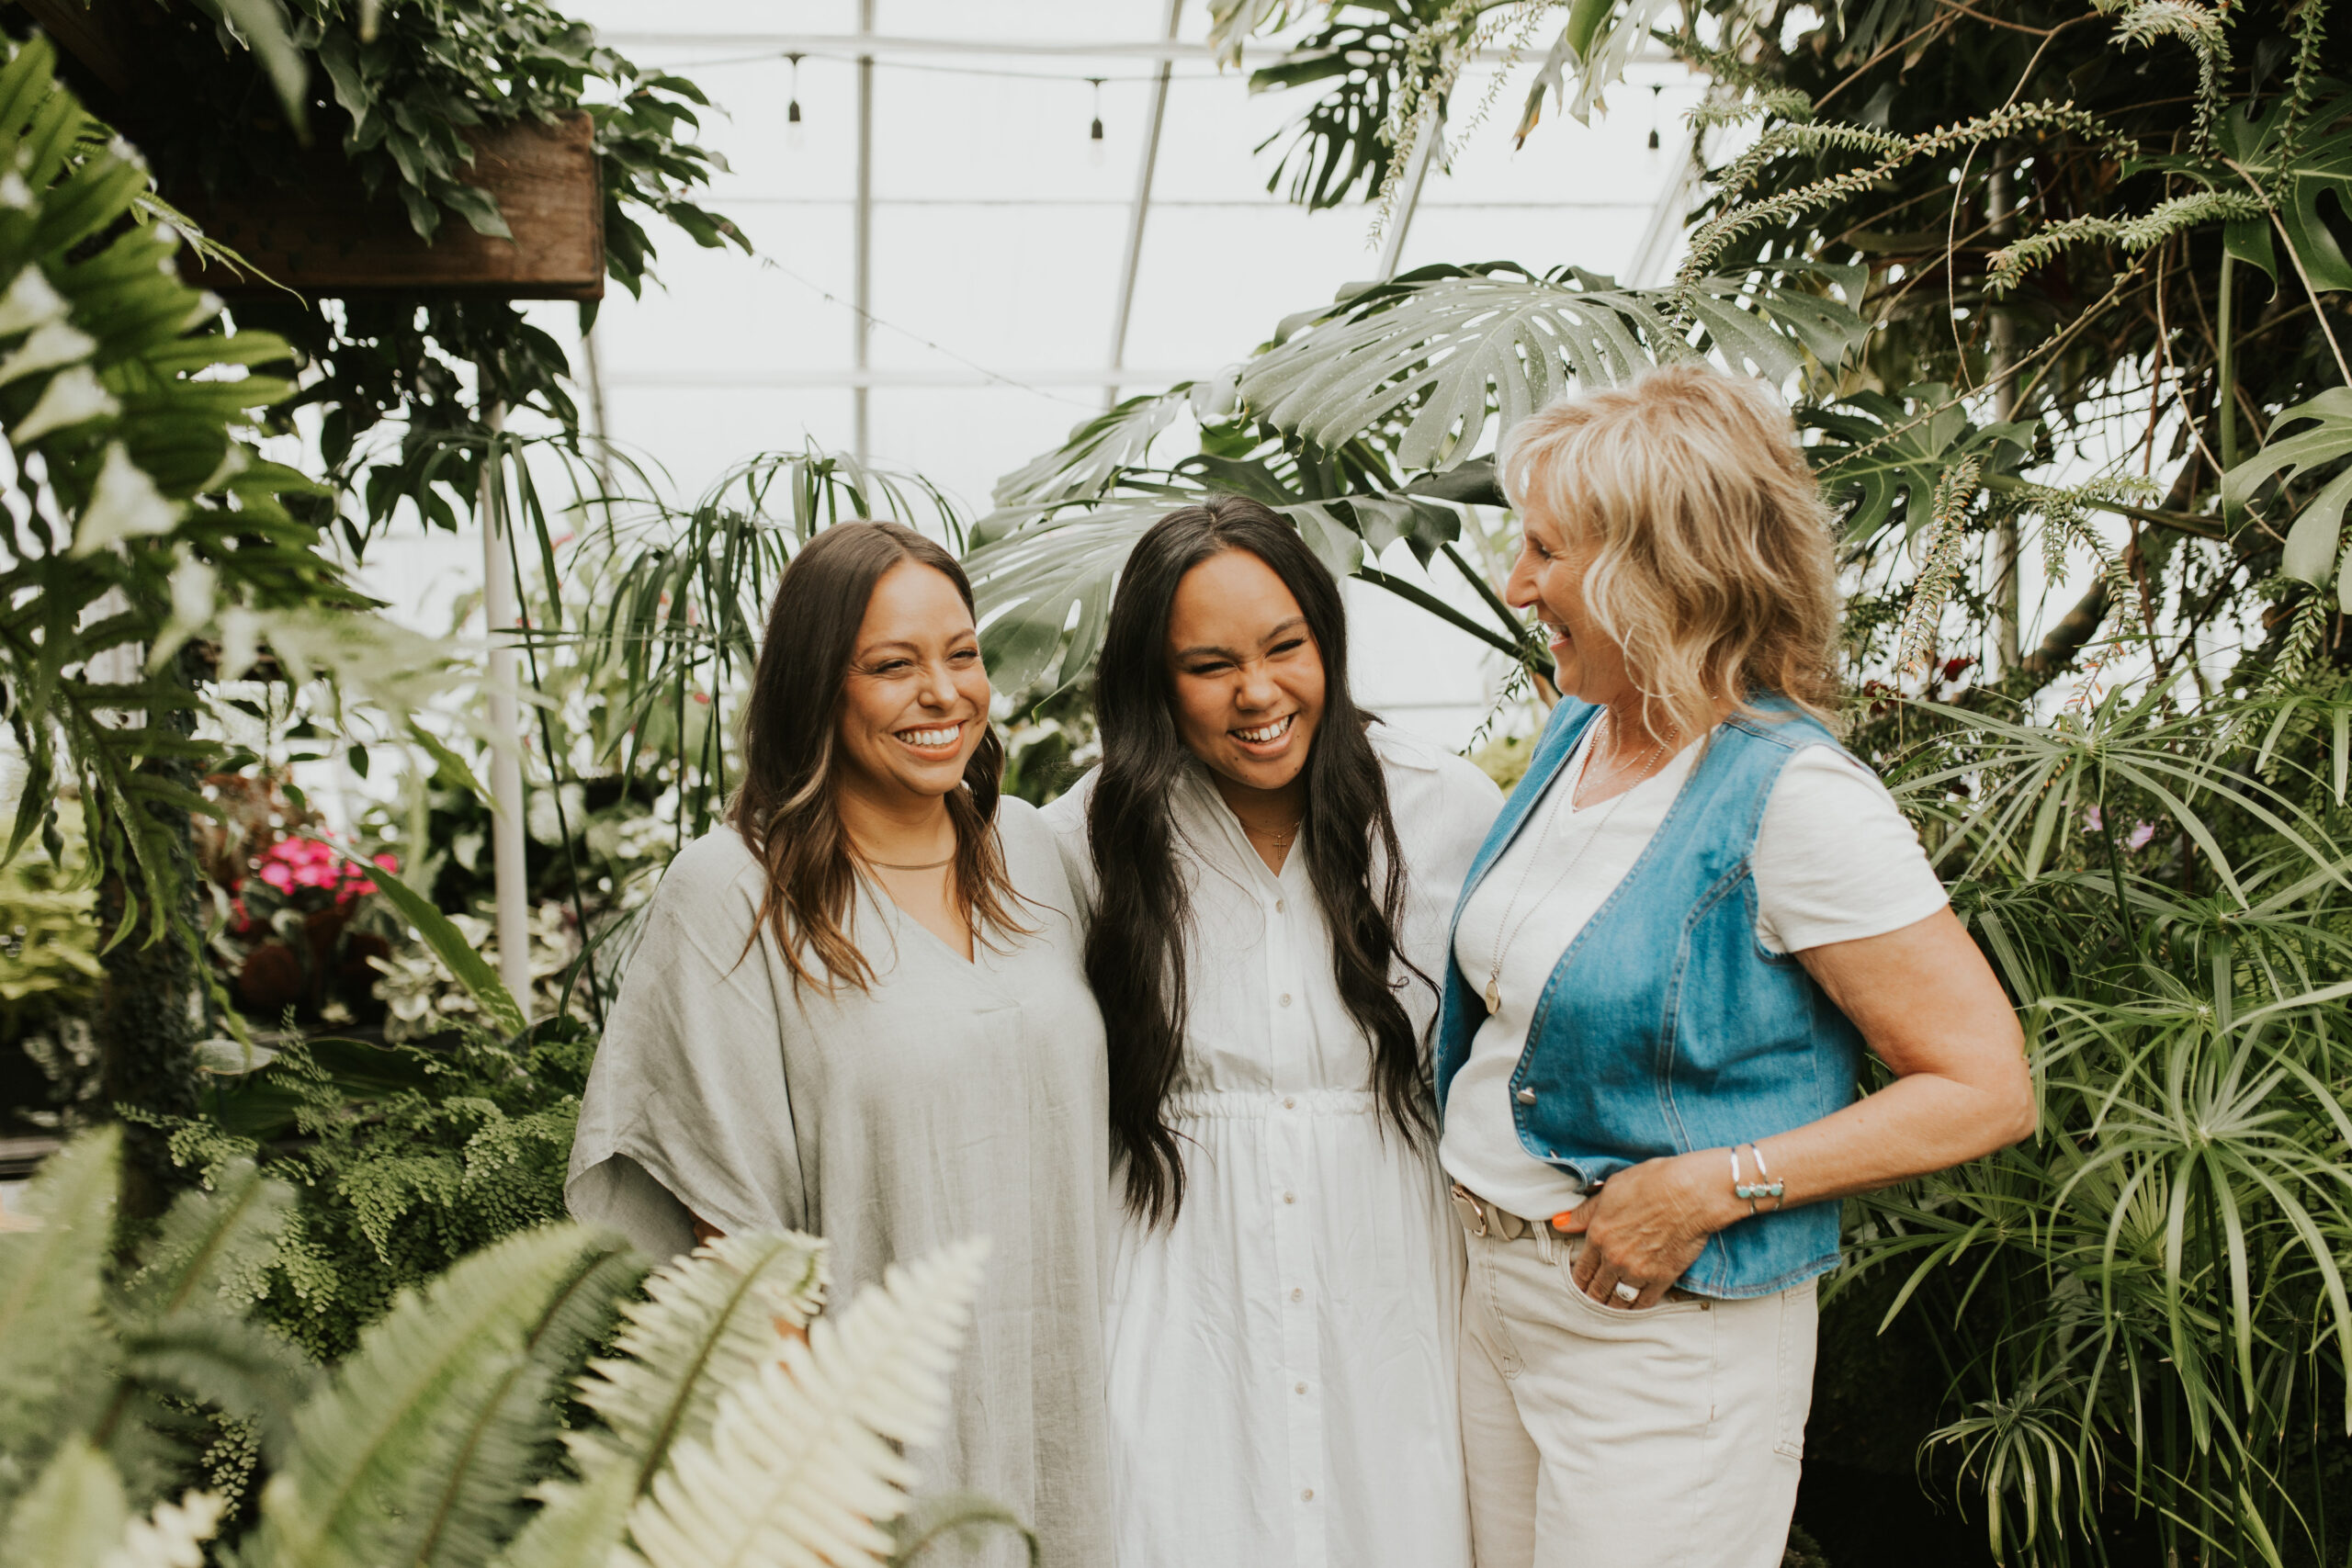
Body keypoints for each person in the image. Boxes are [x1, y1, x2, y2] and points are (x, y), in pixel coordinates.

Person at [1433, 365, 2035, 1568]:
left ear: (1660, 569)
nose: (1518, 585)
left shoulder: (1796, 800)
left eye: (1547, 551)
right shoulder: (1578, 730)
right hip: (1495, 1297)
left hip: (1665, 1342)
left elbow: (1987, 1084)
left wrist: (1713, 1184)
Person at [567, 520, 1114, 1568]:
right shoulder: (732, 892)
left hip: (1065, 1424)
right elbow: (731, 1238)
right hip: (866, 1457)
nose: (943, 692)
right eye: (891, 666)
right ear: (819, 685)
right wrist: (810, 1487)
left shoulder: (1038, 855)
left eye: (961, 654)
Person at [1040, 497, 1502, 1568]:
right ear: (1154, 680)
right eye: (1208, 666)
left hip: (1389, 1279)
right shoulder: (1086, 838)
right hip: (1175, 1277)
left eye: (1285, 647)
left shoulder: (1442, 810)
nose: (1258, 693)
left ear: (1325, 641)